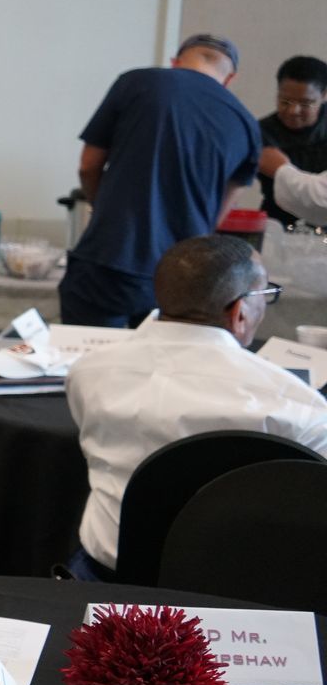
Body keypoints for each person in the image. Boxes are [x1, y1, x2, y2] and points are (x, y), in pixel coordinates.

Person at [63, 234, 327, 579]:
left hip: (105, 581)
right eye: (265, 294)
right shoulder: (298, 404)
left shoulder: (89, 371)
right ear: (240, 312)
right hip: (241, 590)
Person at [59, 34, 260, 328]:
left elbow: (89, 166)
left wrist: (104, 210)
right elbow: (221, 211)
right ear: (230, 78)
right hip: (186, 281)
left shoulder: (137, 83)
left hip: (112, 258)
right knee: (163, 370)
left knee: (92, 364)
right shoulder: (246, 124)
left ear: (175, 63)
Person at [256, 55, 327, 227]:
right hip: (276, 225)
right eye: (285, 101)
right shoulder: (259, 132)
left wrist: (280, 168)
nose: (293, 111)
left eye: (305, 103)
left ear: (324, 95)